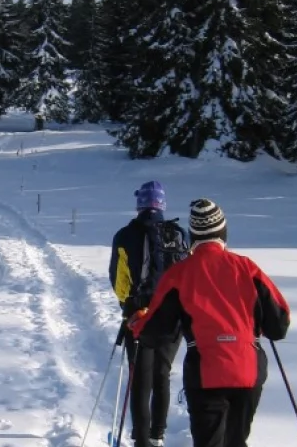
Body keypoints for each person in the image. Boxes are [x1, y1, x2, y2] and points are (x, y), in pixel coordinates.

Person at [128, 198, 290, 447]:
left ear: (193, 235)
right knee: (236, 441)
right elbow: (279, 326)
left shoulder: (180, 274)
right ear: (223, 232)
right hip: (248, 369)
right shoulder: (247, 268)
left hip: (206, 371)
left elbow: (154, 333)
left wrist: (137, 322)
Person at [108, 181, 189, 447]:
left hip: (139, 314)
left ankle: (141, 440)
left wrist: (127, 306)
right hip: (173, 316)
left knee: (140, 377)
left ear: (139, 204)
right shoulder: (178, 234)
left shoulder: (124, 235)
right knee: (162, 375)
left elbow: (119, 278)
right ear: (162, 205)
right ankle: (157, 435)